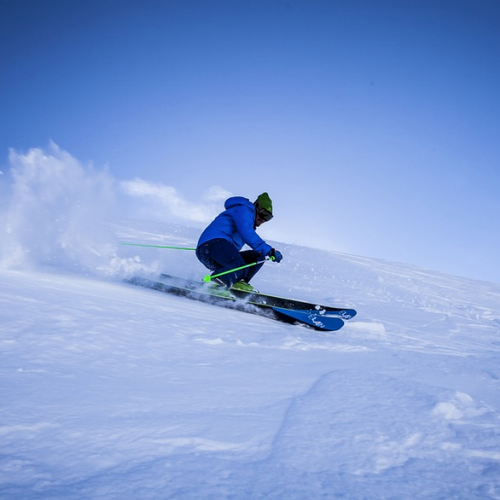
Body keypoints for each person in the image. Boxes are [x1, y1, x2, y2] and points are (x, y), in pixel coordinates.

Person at [196, 192, 283, 294]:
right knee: (238, 264)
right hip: (211, 245)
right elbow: (246, 232)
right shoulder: (244, 210)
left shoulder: (250, 222)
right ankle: (215, 283)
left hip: (220, 252)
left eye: (268, 217)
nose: (263, 219)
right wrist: (268, 250)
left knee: (257, 257)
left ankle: (238, 282)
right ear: (256, 207)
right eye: (263, 214)